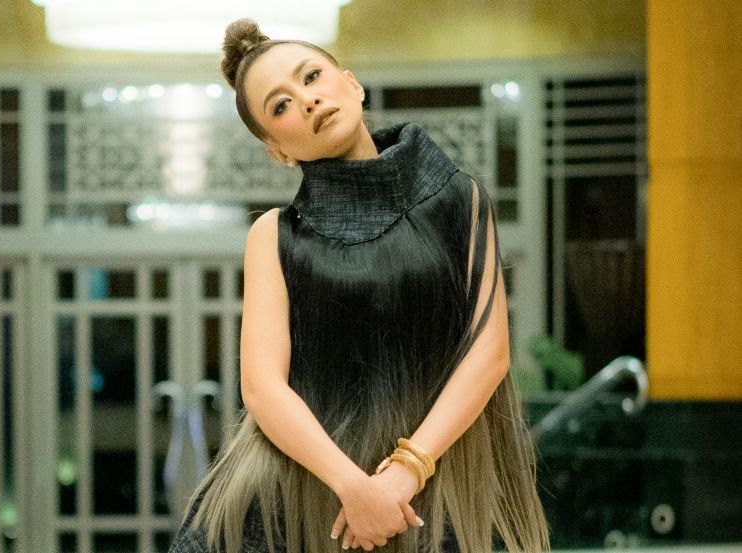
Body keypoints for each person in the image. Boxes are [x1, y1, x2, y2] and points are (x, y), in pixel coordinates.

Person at [168, 18, 550, 553]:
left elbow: (488, 355)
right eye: (280, 105)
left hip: (445, 490)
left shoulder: (460, 198)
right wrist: (354, 488)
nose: (307, 100)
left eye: (311, 76)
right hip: (294, 497)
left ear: (351, 83)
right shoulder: (274, 236)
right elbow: (262, 388)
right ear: (278, 150)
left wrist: (403, 474)